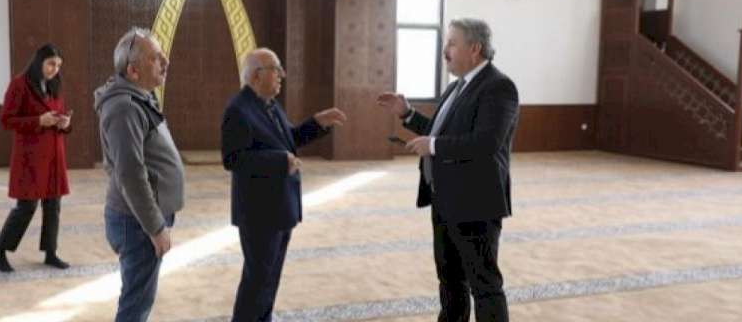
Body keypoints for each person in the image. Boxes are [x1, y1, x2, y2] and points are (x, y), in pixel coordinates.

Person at [378, 18, 519, 322]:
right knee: (450, 280)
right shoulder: (457, 87)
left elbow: (486, 142)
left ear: (475, 48)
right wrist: (407, 114)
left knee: (484, 286)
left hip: (476, 203)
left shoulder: (498, 87)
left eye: (452, 44)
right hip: (445, 200)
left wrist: (433, 146)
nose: (445, 52)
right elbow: (439, 132)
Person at [221, 48, 347, 322]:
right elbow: (233, 159)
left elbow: (288, 139)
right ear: (256, 75)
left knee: (270, 278)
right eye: (276, 69)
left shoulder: (269, 104)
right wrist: (280, 161)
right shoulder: (238, 110)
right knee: (257, 279)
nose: (282, 74)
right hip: (258, 212)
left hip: (280, 208)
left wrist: (318, 123)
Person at [94, 27, 185, 322]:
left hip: (139, 217)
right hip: (137, 223)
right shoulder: (124, 107)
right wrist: (155, 227)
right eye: (155, 58)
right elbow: (130, 175)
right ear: (133, 71)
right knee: (136, 304)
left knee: (139, 298)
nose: (166, 62)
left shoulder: (138, 97)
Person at [0, 43, 73, 273]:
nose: (55, 69)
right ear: (39, 62)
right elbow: (7, 120)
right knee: (26, 206)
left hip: (54, 156)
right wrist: (38, 121)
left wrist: (65, 123)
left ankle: (50, 252)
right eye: (51, 64)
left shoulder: (55, 84)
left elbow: (58, 114)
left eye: (58, 65)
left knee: (53, 205)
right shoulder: (19, 85)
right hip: (31, 157)